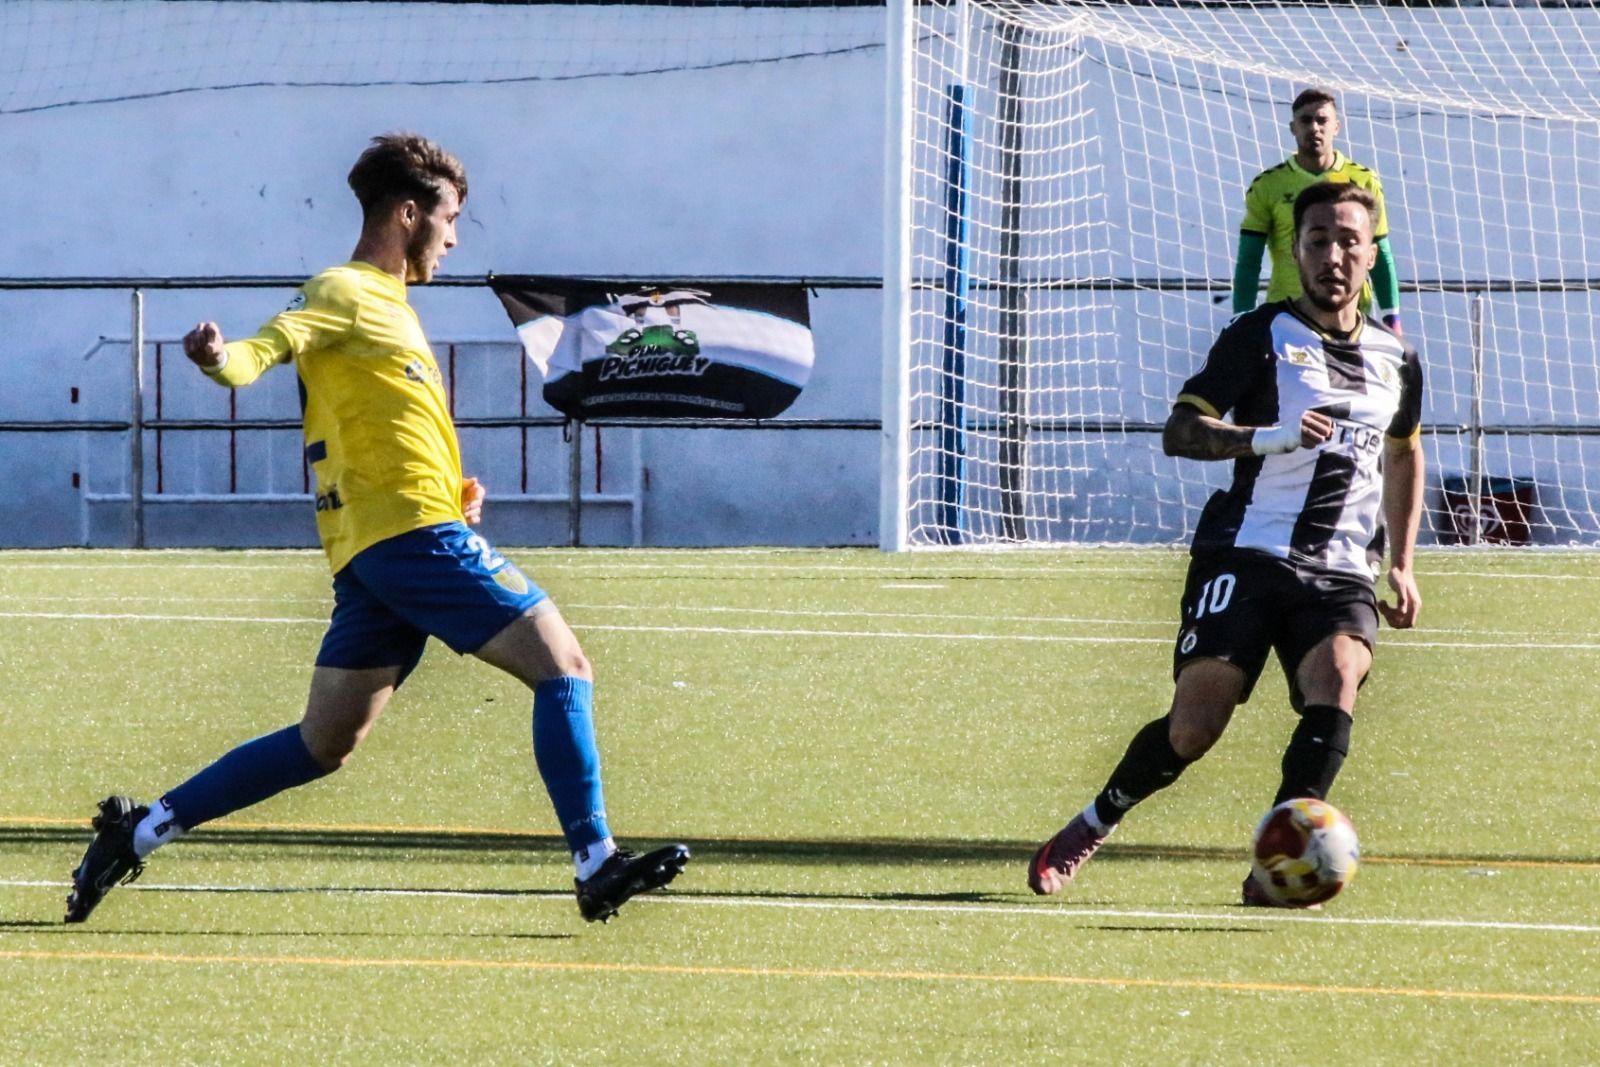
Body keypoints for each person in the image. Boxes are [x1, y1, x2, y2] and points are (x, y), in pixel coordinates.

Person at [66, 132, 689, 925]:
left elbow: (386, 422)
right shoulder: (342, 289)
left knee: (322, 742)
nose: (455, 237)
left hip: (382, 550)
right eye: (450, 217)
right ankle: (595, 860)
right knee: (563, 665)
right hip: (408, 540)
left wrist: (450, 488)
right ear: (407, 212)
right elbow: (265, 348)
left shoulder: (392, 310)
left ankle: (140, 828)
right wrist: (219, 359)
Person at [1030, 181, 1423, 906]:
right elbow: (1180, 432)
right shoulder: (1259, 336)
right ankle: (1094, 819)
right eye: (1317, 241)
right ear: (1295, 251)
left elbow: (1402, 452)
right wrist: (1266, 437)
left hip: (1340, 566)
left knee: (1336, 678)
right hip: (1246, 550)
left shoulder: (1397, 359)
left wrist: (1400, 560)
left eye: (1348, 241)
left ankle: (1274, 861)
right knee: (1195, 725)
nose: (1333, 255)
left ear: (1372, 255)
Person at [1234, 88, 1404, 335]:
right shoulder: (1268, 186)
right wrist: (1241, 318)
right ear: (1293, 128)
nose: (1314, 127)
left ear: (1336, 127)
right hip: (1287, 317)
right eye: (1305, 120)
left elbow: (1380, 252)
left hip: (1349, 317)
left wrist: (1392, 317)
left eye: (1322, 120)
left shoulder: (1363, 181)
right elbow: (1249, 259)